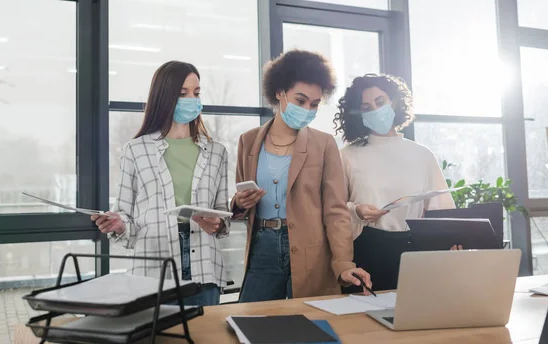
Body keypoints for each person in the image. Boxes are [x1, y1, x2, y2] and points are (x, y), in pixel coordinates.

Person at [232, 49, 371, 302]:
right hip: (261, 249)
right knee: (253, 324)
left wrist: (343, 262)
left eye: (314, 104)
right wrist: (239, 204)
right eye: (300, 100)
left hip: (312, 252)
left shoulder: (324, 144)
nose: (308, 109)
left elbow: (336, 211)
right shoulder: (248, 141)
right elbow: (241, 200)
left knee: (311, 327)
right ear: (279, 93)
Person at [91, 61, 231, 306]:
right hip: (151, 274)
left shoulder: (217, 152)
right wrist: (118, 223)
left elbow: (223, 216)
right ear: (165, 97)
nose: (192, 99)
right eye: (183, 93)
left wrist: (218, 223)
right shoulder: (135, 150)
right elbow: (126, 215)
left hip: (204, 271)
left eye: (196, 93)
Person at [334, 73, 457, 292]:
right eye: (366, 107)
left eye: (380, 102)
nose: (375, 110)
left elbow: (443, 212)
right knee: (361, 321)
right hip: (366, 250)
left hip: (415, 252)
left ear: (394, 102)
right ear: (358, 115)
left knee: (416, 319)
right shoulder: (347, 156)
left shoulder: (423, 155)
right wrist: (357, 211)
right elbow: (333, 210)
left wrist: (450, 244)